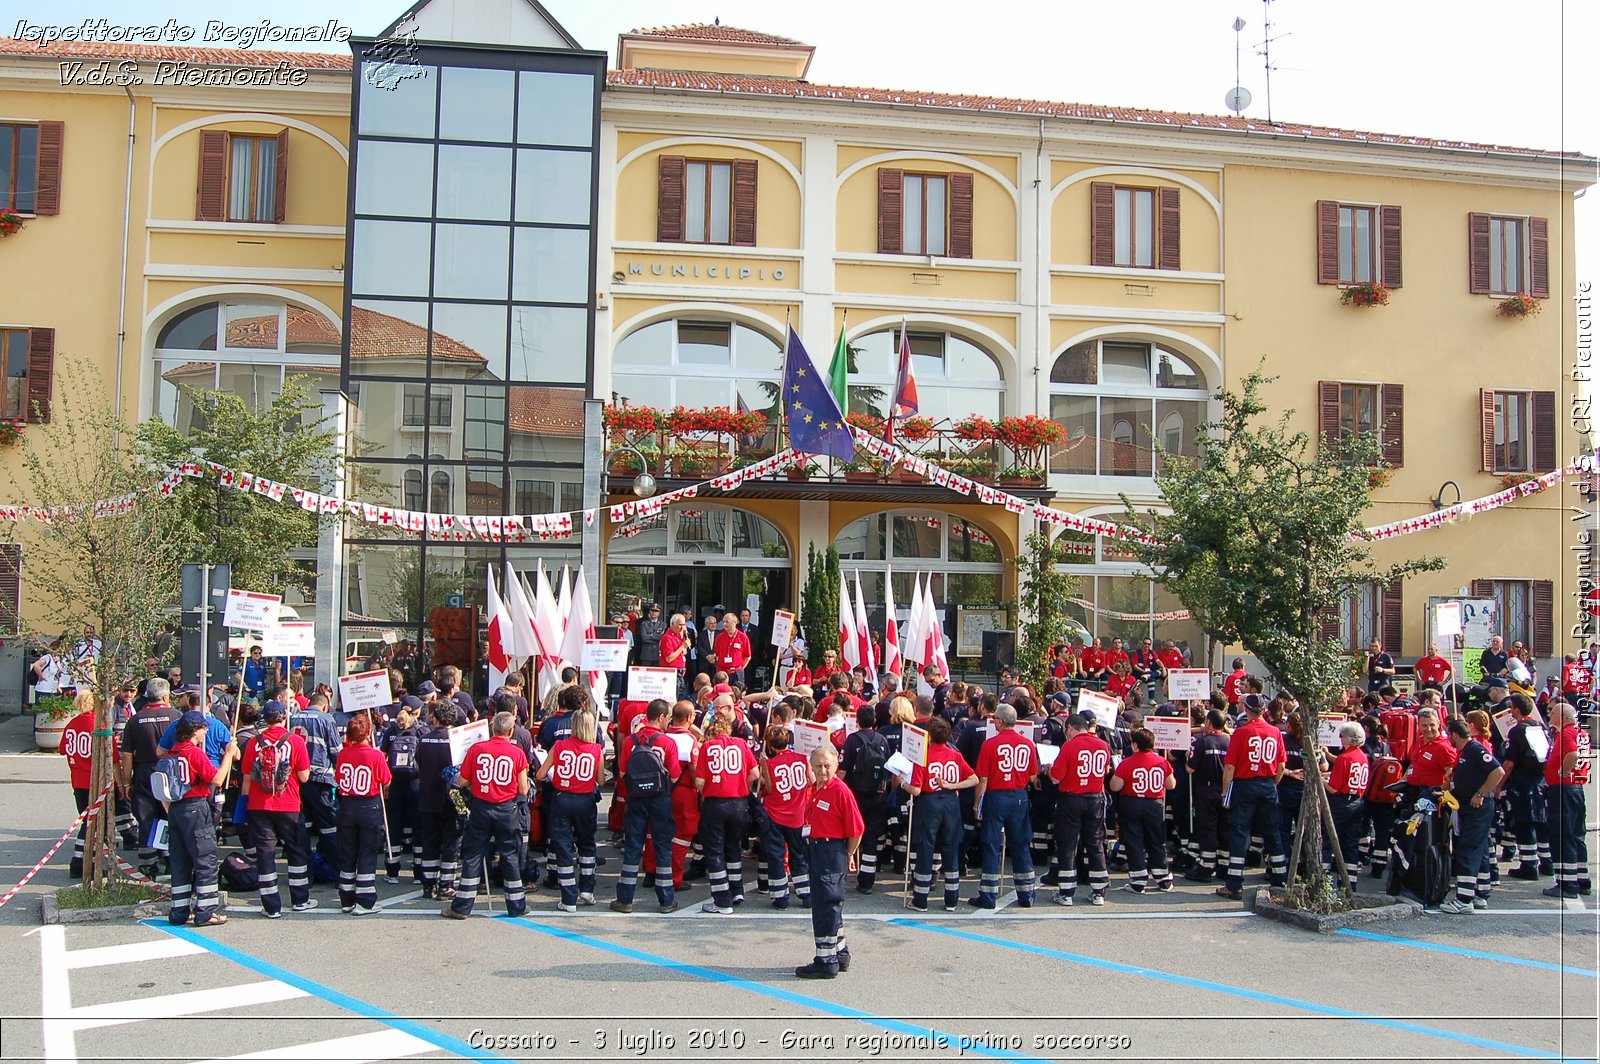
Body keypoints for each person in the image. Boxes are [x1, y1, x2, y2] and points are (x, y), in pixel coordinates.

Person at [446, 711, 530, 918]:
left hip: (481, 807)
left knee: (474, 854)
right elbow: (523, 789)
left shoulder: (476, 749)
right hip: (506, 809)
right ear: (510, 731)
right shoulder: (516, 753)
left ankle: (462, 906)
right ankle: (516, 905)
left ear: (493, 728)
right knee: (509, 855)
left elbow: (463, 781)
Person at [240, 700, 315, 917]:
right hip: (288, 803)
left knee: (265, 854)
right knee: (296, 850)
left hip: (258, 804)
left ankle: (271, 906)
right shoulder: (295, 741)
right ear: (284, 718)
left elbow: (246, 778)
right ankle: (300, 899)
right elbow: (304, 776)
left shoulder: (254, 742)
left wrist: (245, 805)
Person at [795, 743, 863, 980]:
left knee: (826, 904)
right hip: (816, 847)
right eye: (818, 766)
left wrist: (849, 854)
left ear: (836, 765)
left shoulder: (840, 791)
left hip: (831, 850)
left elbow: (857, 829)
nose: (822, 770)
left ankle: (825, 960)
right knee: (828, 902)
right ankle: (840, 951)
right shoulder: (815, 788)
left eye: (827, 766)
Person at [161, 715, 237, 928]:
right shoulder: (194, 754)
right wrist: (228, 755)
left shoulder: (172, 753)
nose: (205, 733)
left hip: (175, 808)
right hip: (195, 807)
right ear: (195, 730)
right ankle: (206, 912)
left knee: (179, 861)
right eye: (203, 730)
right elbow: (217, 779)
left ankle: (179, 911)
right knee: (205, 860)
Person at [612, 699, 682, 914]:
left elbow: (623, 773)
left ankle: (625, 899)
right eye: (668, 717)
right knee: (662, 845)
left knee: (633, 846)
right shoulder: (668, 742)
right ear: (661, 717)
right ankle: (666, 900)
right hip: (660, 797)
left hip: (636, 798)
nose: (669, 721)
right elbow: (675, 775)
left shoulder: (631, 741)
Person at [903, 715, 976, 911]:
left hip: (930, 802)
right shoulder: (955, 754)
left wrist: (903, 783)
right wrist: (953, 785)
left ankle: (921, 898)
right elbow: (973, 778)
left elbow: (916, 789)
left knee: (926, 848)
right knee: (950, 848)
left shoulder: (924, 755)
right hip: (951, 802)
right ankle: (952, 899)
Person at [1218, 694, 1286, 900]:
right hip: (1267, 784)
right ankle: (1279, 878)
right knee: (1273, 832)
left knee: (1239, 833)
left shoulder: (1241, 733)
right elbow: (1281, 765)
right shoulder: (1275, 732)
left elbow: (1229, 766)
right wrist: (1272, 784)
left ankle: (1234, 884)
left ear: (1247, 710)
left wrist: (1225, 793)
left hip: (1245, 785)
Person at [970, 704, 1039, 909]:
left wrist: (977, 805)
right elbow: (1033, 776)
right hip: (1019, 795)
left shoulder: (990, 744)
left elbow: (982, 779)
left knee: (991, 845)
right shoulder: (1028, 744)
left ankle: (988, 895)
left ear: (1000, 721)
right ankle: (1026, 894)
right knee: (1020, 844)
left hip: (996, 795)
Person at [1435, 714, 1504, 914]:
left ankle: (1464, 899)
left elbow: (1497, 771)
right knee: (1479, 849)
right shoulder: (1464, 752)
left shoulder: (1475, 749)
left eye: (1450, 736)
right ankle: (1480, 893)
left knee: (1468, 849)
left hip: (1477, 807)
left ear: (1455, 735)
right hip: (1466, 806)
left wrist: (1480, 794)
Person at [537, 706, 604, 912]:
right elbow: (600, 779)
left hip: (561, 799)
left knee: (563, 847)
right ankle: (587, 889)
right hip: (585, 800)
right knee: (587, 844)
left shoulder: (559, 746)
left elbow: (540, 774)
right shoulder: (596, 750)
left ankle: (568, 898)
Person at [694, 710, 757, 914]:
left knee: (714, 851)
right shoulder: (740, 744)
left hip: (716, 803)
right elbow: (754, 773)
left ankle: (722, 900)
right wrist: (742, 786)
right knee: (733, 847)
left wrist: (708, 791)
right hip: (739, 803)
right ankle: (736, 889)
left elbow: (700, 781)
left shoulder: (707, 747)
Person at [1050, 709, 1112, 905]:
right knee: (1095, 843)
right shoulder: (1103, 745)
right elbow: (1106, 770)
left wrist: (1048, 769)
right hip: (1095, 798)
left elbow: (1056, 776)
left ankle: (1066, 891)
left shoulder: (1069, 747)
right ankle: (1099, 890)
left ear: (1069, 728)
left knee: (1068, 844)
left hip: (1072, 798)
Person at [333, 712, 393, 915]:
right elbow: (385, 779)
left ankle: (346, 898)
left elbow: (339, 778)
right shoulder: (375, 754)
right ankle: (366, 900)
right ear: (368, 733)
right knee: (367, 852)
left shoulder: (343, 754)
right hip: (369, 805)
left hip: (348, 805)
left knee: (348, 852)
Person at [121, 678, 181, 876]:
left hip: (144, 772)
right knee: (171, 815)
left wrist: (127, 781)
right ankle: (171, 859)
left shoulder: (136, 719)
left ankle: (148, 864)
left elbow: (127, 755)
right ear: (165, 696)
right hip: (171, 771)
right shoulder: (176, 717)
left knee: (147, 817)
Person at [1110, 727, 1175, 893]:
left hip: (1132, 802)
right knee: (1157, 840)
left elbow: (1115, 786)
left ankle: (1138, 881)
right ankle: (1163, 879)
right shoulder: (1162, 761)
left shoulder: (1127, 762)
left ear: (1135, 745)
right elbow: (1171, 784)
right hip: (1154, 804)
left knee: (1134, 841)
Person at [1497, 694, 1553, 880]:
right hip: (1540, 782)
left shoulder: (1517, 731)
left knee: (1524, 824)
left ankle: (1529, 865)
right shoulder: (1540, 726)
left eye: (1511, 707)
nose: (1510, 711)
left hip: (1522, 784)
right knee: (1541, 824)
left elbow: (1509, 763)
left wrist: (1499, 786)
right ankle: (1547, 863)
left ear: (1517, 710)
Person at [415, 702, 466, 901]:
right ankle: (446, 885)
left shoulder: (424, 739)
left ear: (436, 718)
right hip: (453, 799)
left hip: (428, 796)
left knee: (430, 841)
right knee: (451, 841)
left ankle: (428, 885)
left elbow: (419, 762)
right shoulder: (458, 740)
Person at [59, 690, 112, 879]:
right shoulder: (98, 725)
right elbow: (110, 754)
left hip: (77, 781)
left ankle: (81, 860)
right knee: (96, 824)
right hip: (95, 781)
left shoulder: (72, 724)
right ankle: (82, 862)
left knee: (87, 821)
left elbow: (62, 749)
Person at [757, 724, 811, 910]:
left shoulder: (771, 764)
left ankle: (780, 896)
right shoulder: (802, 759)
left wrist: (764, 768)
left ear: (770, 746)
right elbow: (810, 780)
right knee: (799, 854)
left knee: (777, 855)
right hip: (797, 814)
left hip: (776, 815)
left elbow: (770, 789)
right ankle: (806, 893)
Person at [840, 703, 892, 893]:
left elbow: (842, 771)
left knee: (851, 832)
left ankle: (844, 873)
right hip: (877, 795)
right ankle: (867, 880)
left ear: (857, 721)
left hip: (855, 795)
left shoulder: (852, 741)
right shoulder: (882, 740)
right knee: (871, 836)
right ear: (875, 721)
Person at [1543, 701, 1592, 899]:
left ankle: (1567, 883)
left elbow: (1572, 753)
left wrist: (1563, 771)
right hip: (1575, 788)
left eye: (1552, 712)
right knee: (1576, 833)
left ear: (1563, 717)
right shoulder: (1581, 732)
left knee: (1563, 835)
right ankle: (1581, 878)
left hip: (1563, 788)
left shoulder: (1567, 733)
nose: (1549, 715)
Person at [289, 692, 342, 869]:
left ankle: (306, 871)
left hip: (299, 778)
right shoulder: (326, 719)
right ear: (325, 705)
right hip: (321, 779)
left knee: (304, 826)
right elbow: (336, 751)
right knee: (328, 827)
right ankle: (336, 871)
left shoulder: (294, 718)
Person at [379, 699, 424, 883]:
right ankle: (418, 872)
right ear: (417, 711)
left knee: (394, 826)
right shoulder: (421, 730)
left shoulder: (391, 729)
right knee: (418, 826)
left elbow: (382, 755)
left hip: (395, 783)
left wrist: (386, 781)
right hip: (416, 783)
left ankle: (392, 872)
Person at [1185, 707, 1231, 882]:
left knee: (1207, 828)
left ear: (1209, 722)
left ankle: (1206, 866)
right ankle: (1224, 865)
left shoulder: (1202, 742)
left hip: (1206, 788)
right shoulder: (1229, 741)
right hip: (1225, 789)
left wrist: (1189, 756)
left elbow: (1190, 769)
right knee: (1224, 828)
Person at [1325, 721, 1370, 893]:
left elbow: (1334, 788)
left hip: (1341, 802)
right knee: (1351, 844)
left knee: (1328, 840)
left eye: (1341, 737)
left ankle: (1325, 882)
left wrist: (1320, 780)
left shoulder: (1345, 758)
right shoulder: (1362, 756)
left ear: (1348, 739)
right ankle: (1349, 885)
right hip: (1357, 801)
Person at [713, 611, 753, 687]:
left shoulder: (743, 637)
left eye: (727, 622)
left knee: (737, 694)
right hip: (722, 672)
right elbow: (717, 655)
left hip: (737, 672)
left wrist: (740, 669)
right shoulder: (719, 637)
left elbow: (748, 657)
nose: (724, 624)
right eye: (723, 621)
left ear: (734, 622)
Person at [660, 613, 691, 698]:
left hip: (680, 670)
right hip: (672, 672)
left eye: (684, 625)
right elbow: (669, 658)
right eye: (680, 625)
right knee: (678, 696)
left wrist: (685, 634)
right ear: (672, 624)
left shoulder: (679, 636)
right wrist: (682, 646)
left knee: (682, 695)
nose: (682, 627)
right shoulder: (667, 638)